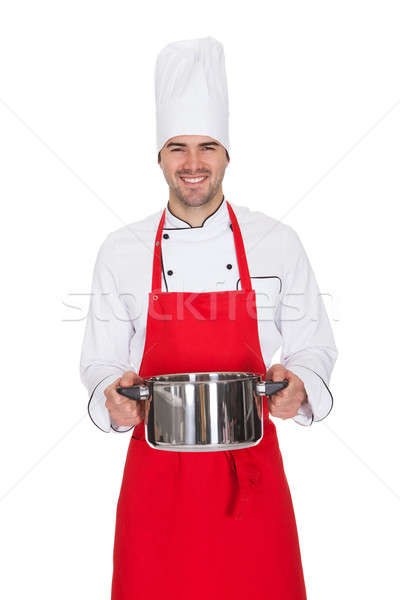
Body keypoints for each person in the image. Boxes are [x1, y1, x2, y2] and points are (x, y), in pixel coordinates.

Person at [80, 36, 337, 600]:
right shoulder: (120, 250)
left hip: (251, 477)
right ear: (159, 156)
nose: (192, 164)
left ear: (226, 154)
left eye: (206, 147)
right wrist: (112, 393)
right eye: (177, 147)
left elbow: (314, 347)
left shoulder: (277, 242)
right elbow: (100, 360)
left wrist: (302, 387)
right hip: (157, 484)